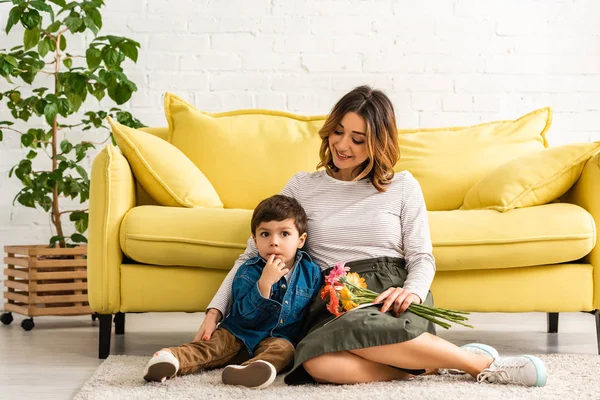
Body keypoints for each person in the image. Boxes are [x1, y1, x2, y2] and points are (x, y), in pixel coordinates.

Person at [194, 85, 548, 388]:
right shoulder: (302, 186)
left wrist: (412, 291)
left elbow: (422, 256)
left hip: (386, 290)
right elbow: (250, 256)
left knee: (359, 331)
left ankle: (485, 368)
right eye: (338, 131)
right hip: (331, 296)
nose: (342, 145)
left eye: (358, 139)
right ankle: (438, 361)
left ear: (378, 142)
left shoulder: (403, 186)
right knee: (318, 365)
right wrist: (215, 310)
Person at [144, 195, 323, 389]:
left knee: (284, 350)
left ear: (301, 240)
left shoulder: (311, 272)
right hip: (239, 333)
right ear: (254, 240)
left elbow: (311, 314)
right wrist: (264, 285)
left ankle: (251, 370)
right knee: (212, 347)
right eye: (265, 234)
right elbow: (243, 315)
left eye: (284, 234)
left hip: (278, 338)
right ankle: (170, 359)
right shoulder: (248, 271)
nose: (274, 242)